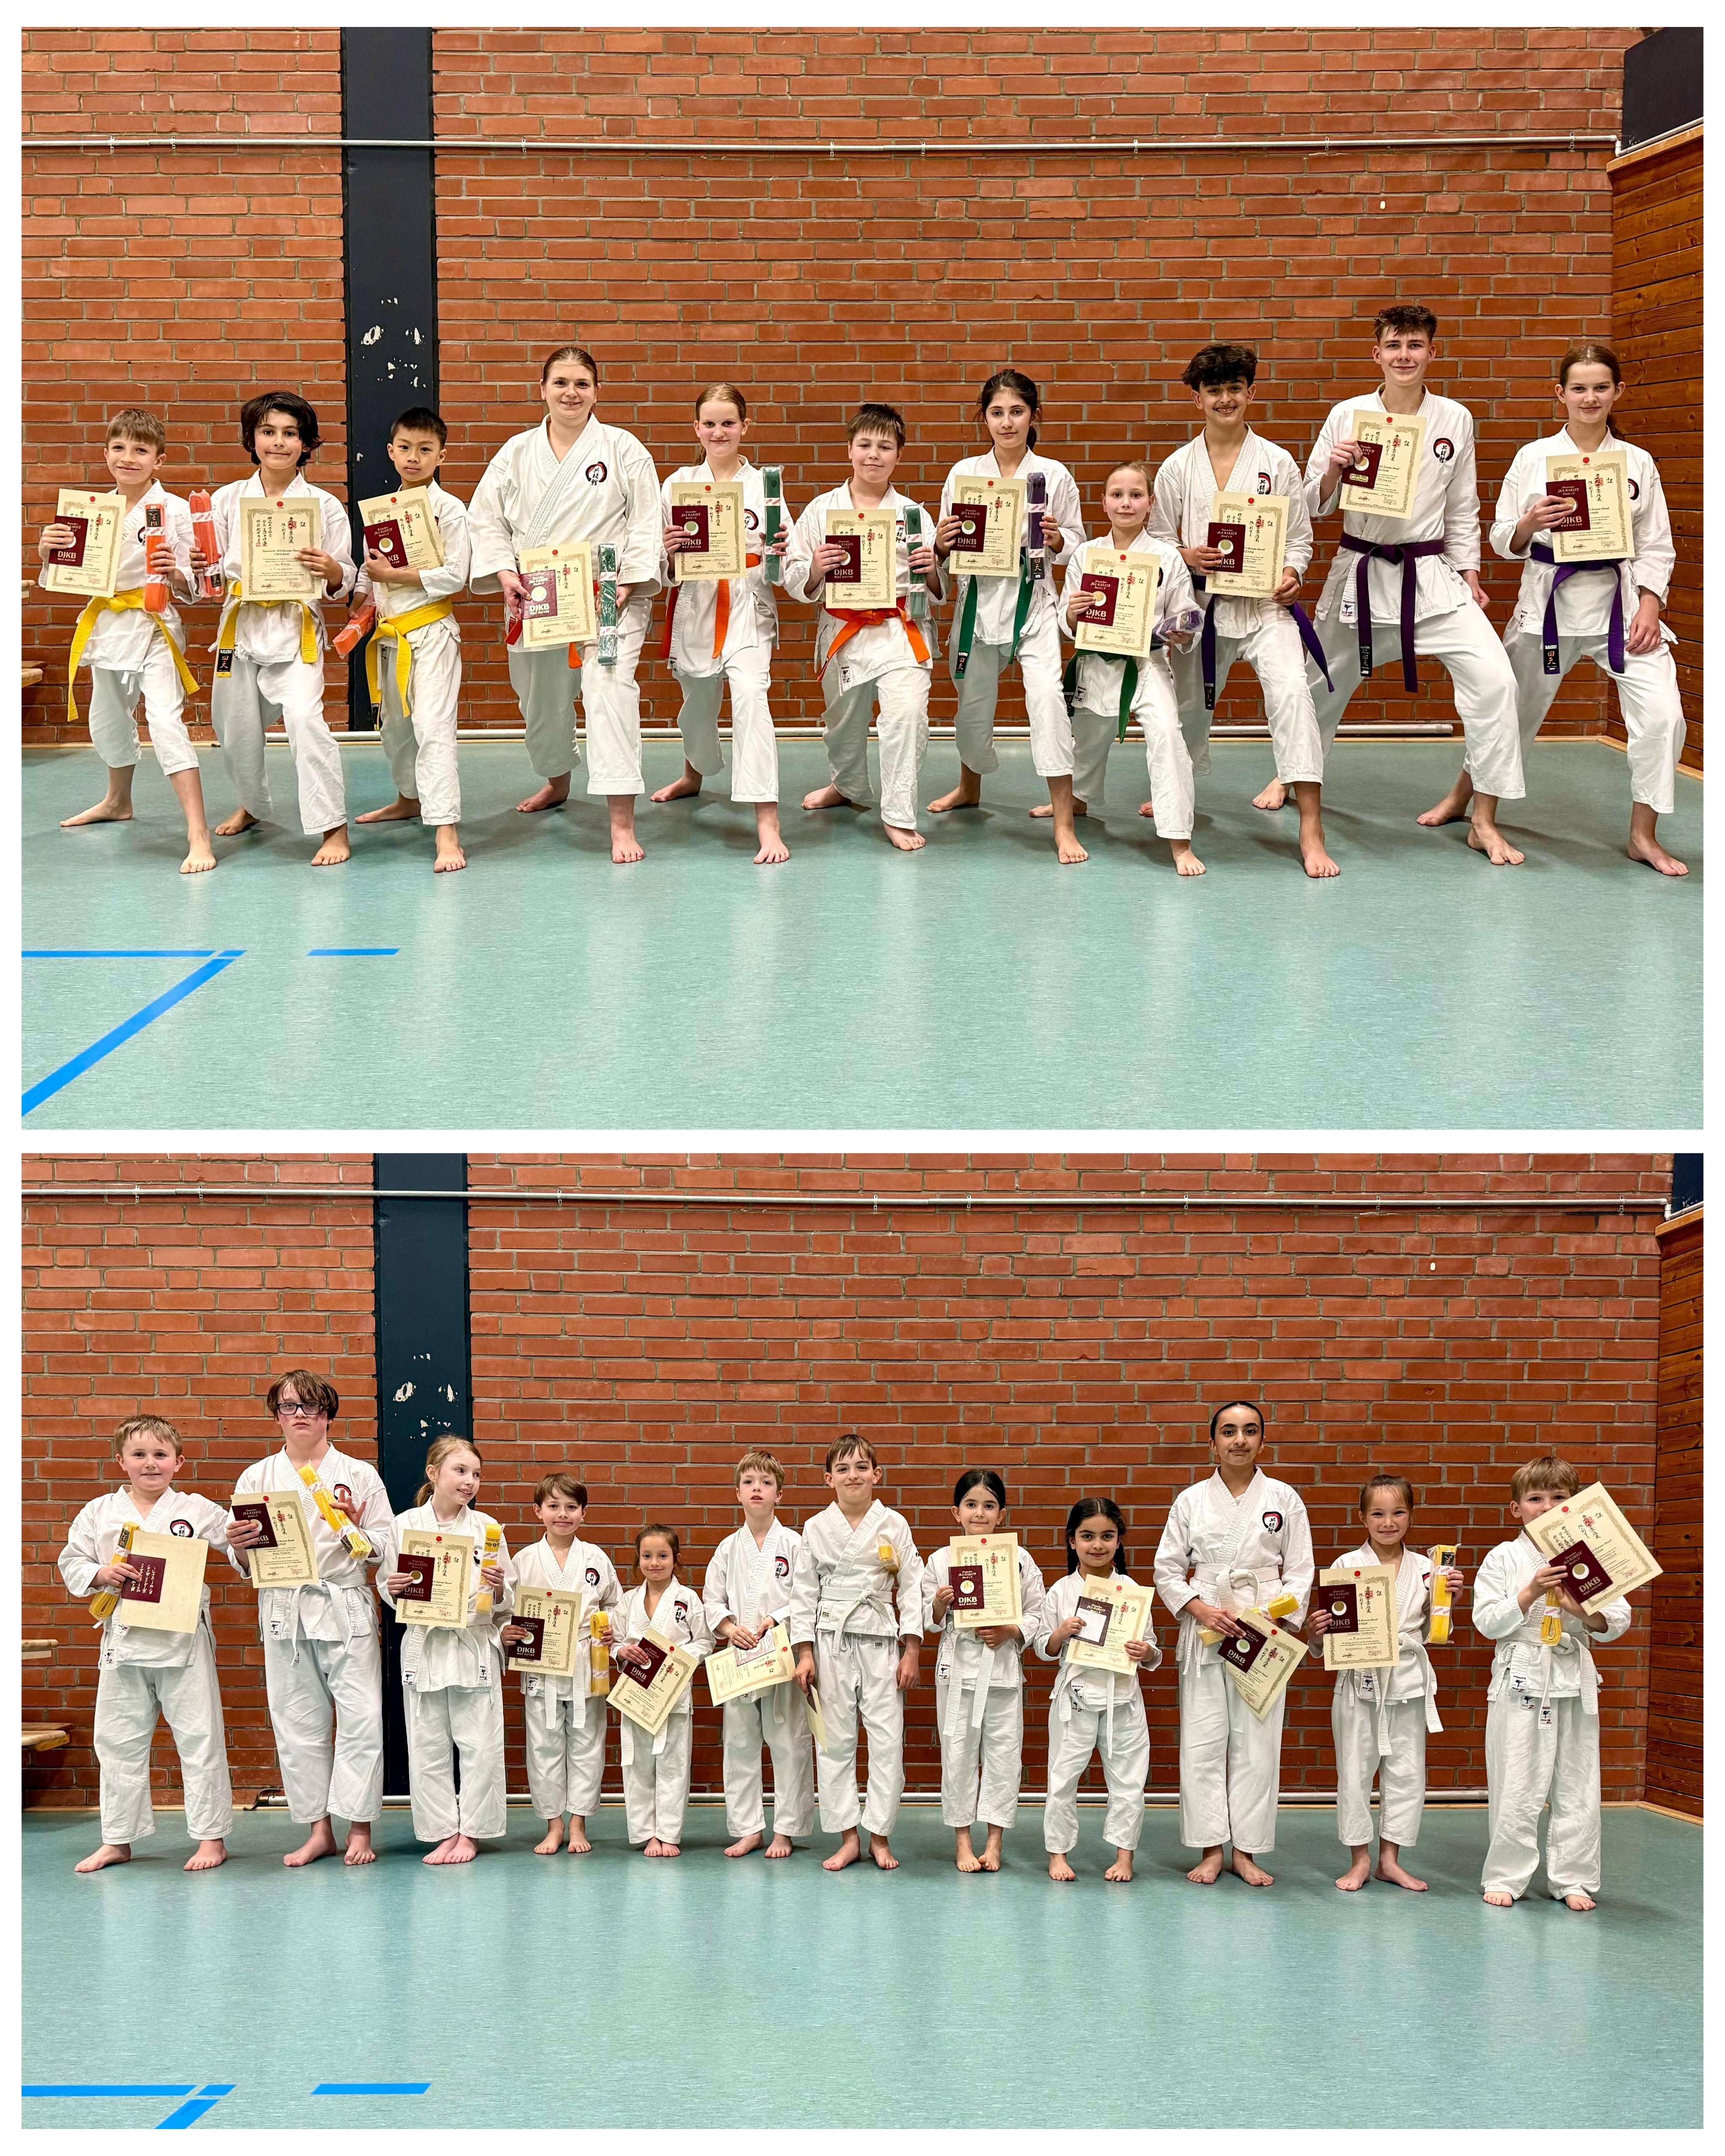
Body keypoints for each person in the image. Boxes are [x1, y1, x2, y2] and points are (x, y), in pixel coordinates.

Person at [1418, 340, 1689, 875]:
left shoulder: (1637, 462)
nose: (1590, 398)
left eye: (1601, 388)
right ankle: (1474, 811)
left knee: (1664, 715)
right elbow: (1500, 538)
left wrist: (1650, 605)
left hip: (1620, 609)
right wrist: (1529, 523)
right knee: (1508, 713)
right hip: (1547, 606)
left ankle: (1643, 835)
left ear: (1617, 392)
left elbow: (1656, 544)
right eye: (1579, 388)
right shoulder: (1534, 457)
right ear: (1559, 394)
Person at [1276, 303, 1527, 865]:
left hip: (1430, 576)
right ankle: (1290, 776)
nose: (1404, 356)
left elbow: (1462, 505)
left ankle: (1483, 818)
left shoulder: (1454, 418)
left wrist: (1470, 573)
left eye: (1415, 346)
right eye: (1394, 345)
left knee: (1496, 682)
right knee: (1315, 690)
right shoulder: (1347, 415)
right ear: (1377, 354)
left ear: (1432, 353)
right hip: (1360, 572)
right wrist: (1334, 468)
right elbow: (1310, 505)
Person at [466, 344, 662, 862]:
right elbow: (485, 519)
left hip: (606, 592)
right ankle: (557, 779)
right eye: (561, 383)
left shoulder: (623, 448)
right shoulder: (515, 452)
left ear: (597, 391)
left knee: (609, 691)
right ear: (543, 389)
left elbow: (646, 522)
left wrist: (627, 583)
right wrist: (504, 572)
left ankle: (621, 822)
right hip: (537, 593)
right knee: (540, 702)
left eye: (581, 384)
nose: (571, 393)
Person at [1148, 344, 1338, 876]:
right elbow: (1156, 541)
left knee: (1293, 694)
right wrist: (1185, 555)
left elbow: (1299, 539)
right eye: (1214, 390)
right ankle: (1176, 793)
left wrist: (1292, 574)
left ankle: (1311, 828)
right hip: (1199, 609)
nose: (1225, 399)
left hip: (1264, 607)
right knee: (1188, 710)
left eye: (1235, 389)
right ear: (1197, 399)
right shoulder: (1176, 468)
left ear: (1251, 393)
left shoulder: (1276, 462)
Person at [224, 1369, 394, 1868]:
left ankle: (359, 1826)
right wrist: (238, 1546)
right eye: (289, 1405)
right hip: (285, 1606)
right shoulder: (256, 1477)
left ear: (328, 1415)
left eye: (311, 1405)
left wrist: (358, 1528)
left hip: (344, 1602)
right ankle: (319, 1829)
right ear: (276, 1414)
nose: (300, 1414)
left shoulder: (359, 1473)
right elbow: (244, 1557)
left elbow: (386, 1545)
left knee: (362, 1717)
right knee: (297, 1720)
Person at [35, 406, 213, 872]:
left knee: (165, 721)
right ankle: (117, 801)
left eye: (140, 450)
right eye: (119, 448)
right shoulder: (91, 511)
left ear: (159, 460)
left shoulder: (175, 510)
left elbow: (197, 588)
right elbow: (64, 579)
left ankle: (198, 833)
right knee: (107, 718)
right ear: (106, 453)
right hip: (107, 626)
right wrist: (48, 552)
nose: (128, 458)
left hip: (154, 626)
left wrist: (176, 572)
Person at [56, 1415, 234, 1873]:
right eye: (139, 1455)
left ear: (179, 1461)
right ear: (121, 1461)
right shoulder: (99, 1512)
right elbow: (72, 1561)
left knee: (200, 1737)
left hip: (183, 1639)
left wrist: (249, 1540)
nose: (150, 1463)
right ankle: (118, 1839)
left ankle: (211, 1837)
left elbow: (238, 1548)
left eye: (160, 1454)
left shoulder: (196, 1508)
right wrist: (101, 1573)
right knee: (117, 1741)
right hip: (124, 1638)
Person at [1152, 1398, 1314, 1886]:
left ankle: (1245, 1850)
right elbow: (1166, 1568)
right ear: (1213, 1443)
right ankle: (1209, 1848)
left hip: (1263, 1626)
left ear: (1262, 1440)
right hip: (1208, 1624)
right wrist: (1200, 1609)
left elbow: (1301, 1570)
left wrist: (1270, 1616)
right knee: (1203, 1740)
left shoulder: (1284, 1498)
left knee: (1256, 1744)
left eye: (1249, 1430)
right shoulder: (1190, 1500)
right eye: (1228, 1431)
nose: (1239, 1439)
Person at [927, 369, 1088, 861]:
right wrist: (942, 544)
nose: (1007, 422)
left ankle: (1064, 822)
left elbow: (1078, 543)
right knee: (972, 707)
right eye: (997, 412)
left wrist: (1058, 540)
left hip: (1033, 602)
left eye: (1017, 411)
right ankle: (969, 785)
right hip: (978, 602)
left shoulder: (1054, 474)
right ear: (984, 418)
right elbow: (943, 545)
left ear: (1034, 415)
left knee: (1047, 703)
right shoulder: (964, 473)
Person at [195, 389, 359, 865]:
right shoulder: (227, 500)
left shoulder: (323, 505)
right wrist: (201, 566)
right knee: (234, 729)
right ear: (252, 439)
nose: (279, 442)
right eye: (268, 432)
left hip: (295, 629)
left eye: (291, 434)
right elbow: (206, 575)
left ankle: (333, 827)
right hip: (241, 629)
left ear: (306, 444)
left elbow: (346, 579)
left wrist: (332, 570)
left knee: (306, 722)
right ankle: (253, 805)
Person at [782, 402, 947, 851]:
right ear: (850, 450)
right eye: (865, 445)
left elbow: (936, 588)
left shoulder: (913, 514)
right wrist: (815, 568)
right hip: (844, 629)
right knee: (843, 724)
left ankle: (898, 814)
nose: (874, 454)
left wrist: (932, 568)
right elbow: (796, 577)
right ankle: (847, 785)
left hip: (900, 630)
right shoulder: (822, 510)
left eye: (885, 447)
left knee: (907, 716)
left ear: (899, 455)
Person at [1473, 1454, 1632, 1911]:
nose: (1546, 1507)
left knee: (1578, 1782)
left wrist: (1582, 1610)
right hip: (1521, 1675)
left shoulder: (1591, 1554)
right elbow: (1486, 1622)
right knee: (1516, 1780)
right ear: (1516, 1508)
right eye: (1535, 1498)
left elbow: (1617, 1618)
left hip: (1573, 1676)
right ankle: (1506, 1874)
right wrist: (1529, 1592)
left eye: (1558, 1497)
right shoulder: (1504, 1557)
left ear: (1574, 1505)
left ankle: (1574, 1877)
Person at [651, 384, 791, 864]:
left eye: (728, 423)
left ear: (745, 427)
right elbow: (662, 567)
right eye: (709, 424)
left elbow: (786, 563)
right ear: (696, 429)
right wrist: (669, 552)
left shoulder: (766, 486)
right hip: (698, 606)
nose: (719, 432)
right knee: (697, 703)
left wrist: (778, 552)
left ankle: (767, 821)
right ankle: (695, 773)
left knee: (751, 698)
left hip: (749, 608)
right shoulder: (677, 484)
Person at [1307, 1474, 1464, 1892]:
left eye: (1398, 1512)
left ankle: (1390, 1860)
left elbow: (1435, 1632)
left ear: (1411, 1515)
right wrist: (1317, 1631)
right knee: (1354, 1772)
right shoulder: (1345, 1566)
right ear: (1362, 1517)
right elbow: (1328, 1641)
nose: (1388, 1522)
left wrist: (1449, 1600)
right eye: (1378, 1513)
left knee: (1407, 1772)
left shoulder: (1429, 1569)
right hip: (1358, 1683)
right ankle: (1359, 1859)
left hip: (1408, 1682)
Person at [1058, 460, 1204, 871]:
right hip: (1096, 661)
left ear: (1150, 503)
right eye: (1117, 495)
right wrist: (1073, 613)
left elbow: (1186, 612)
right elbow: (1067, 620)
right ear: (1104, 503)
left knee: (1167, 735)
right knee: (1088, 738)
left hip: (1148, 663)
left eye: (1136, 495)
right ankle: (1078, 799)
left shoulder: (1167, 557)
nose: (1126, 503)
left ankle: (1179, 839)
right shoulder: (1086, 554)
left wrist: (1183, 630)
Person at [788, 1433, 925, 1868]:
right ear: (828, 1478)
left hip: (882, 1640)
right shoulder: (816, 1527)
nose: (853, 1476)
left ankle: (879, 1836)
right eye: (843, 1469)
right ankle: (848, 1836)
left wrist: (912, 1650)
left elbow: (913, 1589)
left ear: (876, 1474)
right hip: (831, 1640)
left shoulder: (894, 1524)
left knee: (887, 1742)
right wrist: (804, 1653)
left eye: (862, 1467)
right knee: (834, 1742)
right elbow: (803, 1594)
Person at [377, 1437, 514, 1865]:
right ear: (433, 1473)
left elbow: (507, 1600)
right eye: (460, 1471)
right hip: (427, 1644)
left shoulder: (488, 1528)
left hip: (473, 1644)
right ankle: (443, 1831)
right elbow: (387, 1585)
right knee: (427, 1744)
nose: (470, 1481)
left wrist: (499, 1587)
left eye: (477, 1474)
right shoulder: (404, 1525)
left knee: (481, 1745)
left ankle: (472, 1832)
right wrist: (393, 1588)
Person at [352, 406, 472, 871]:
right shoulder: (383, 509)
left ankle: (446, 831)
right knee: (395, 729)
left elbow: (456, 576)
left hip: (433, 632)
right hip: (389, 634)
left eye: (425, 449)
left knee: (433, 728)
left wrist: (395, 576)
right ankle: (409, 798)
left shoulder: (450, 510)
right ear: (391, 451)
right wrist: (362, 596)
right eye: (405, 448)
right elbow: (371, 568)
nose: (413, 458)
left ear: (441, 456)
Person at [921, 1468, 1047, 1871]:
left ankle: (994, 1843)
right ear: (956, 1512)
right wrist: (939, 1604)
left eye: (989, 1506)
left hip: (1002, 1669)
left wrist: (1011, 1630)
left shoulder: (1020, 1559)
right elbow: (926, 1619)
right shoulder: (941, 1560)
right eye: (971, 1505)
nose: (980, 1513)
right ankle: (962, 1841)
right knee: (957, 1754)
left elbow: (1038, 1613)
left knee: (1004, 1756)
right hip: (958, 1669)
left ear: (1002, 1514)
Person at [1035, 1497, 1161, 1883]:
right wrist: (1061, 1633)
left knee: (1129, 1780)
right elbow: (1043, 1648)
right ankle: (1058, 1853)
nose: (1097, 1545)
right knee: (1062, 1777)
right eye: (1087, 1536)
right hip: (1075, 1698)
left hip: (1122, 1697)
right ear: (1072, 1540)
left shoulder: (1132, 1591)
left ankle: (1125, 1856)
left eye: (1107, 1536)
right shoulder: (1061, 1591)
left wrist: (1146, 1652)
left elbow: (1153, 1648)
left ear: (1119, 1540)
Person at [500, 1471, 622, 1855]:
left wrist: (609, 1628)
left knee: (588, 1742)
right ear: (539, 1511)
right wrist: (509, 1630)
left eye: (571, 1507)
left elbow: (616, 1605)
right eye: (554, 1506)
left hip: (588, 1659)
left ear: (584, 1513)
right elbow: (505, 1609)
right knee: (543, 1745)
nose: (563, 1514)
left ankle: (579, 1823)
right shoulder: (523, 1560)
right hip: (541, 1660)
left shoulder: (596, 1558)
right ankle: (554, 1824)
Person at [701, 1449, 814, 1857]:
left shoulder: (795, 1544)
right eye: (749, 1482)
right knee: (740, 1745)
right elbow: (711, 1600)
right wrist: (730, 1628)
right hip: (740, 1658)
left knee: (788, 1743)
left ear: (779, 1494)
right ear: (738, 1492)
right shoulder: (727, 1548)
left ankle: (786, 1829)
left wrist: (775, 1618)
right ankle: (749, 1828)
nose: (757, 1489)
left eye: (766, 1483)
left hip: (781, 1656)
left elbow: (807, 1597)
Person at [610, 1523, 714, 1857]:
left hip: (672, 1692)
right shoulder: (628, 1601)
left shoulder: (688, 1599)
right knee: (638, 1766)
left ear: (676, 1559)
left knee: (673, 1765)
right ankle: (646, 1834)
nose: (654, 1563)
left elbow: (705, 1641)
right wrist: (622, 1652)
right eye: (647, 1556)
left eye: (663, 1556)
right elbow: (614, 1642)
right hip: (636, 1690)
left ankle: (668, 1834)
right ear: (638, 1559)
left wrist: (678, 1658)